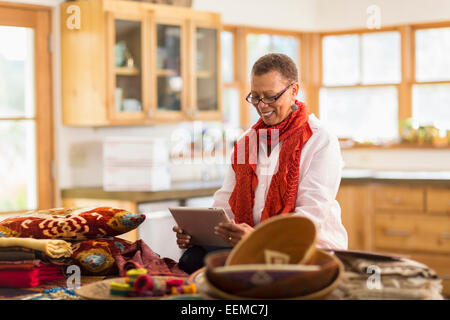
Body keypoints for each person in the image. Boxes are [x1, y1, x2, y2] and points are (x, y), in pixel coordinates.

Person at [173, 53, 348, 274]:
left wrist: (258, 237)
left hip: (310, 249)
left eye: (271, 96)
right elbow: (225, 203)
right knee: (192, 260)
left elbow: (310, 219)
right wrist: (201, 233)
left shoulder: (320, 139)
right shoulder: (248, 140)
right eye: (255, 96)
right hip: (252, 247)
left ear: (294, 90)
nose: (262, 105)